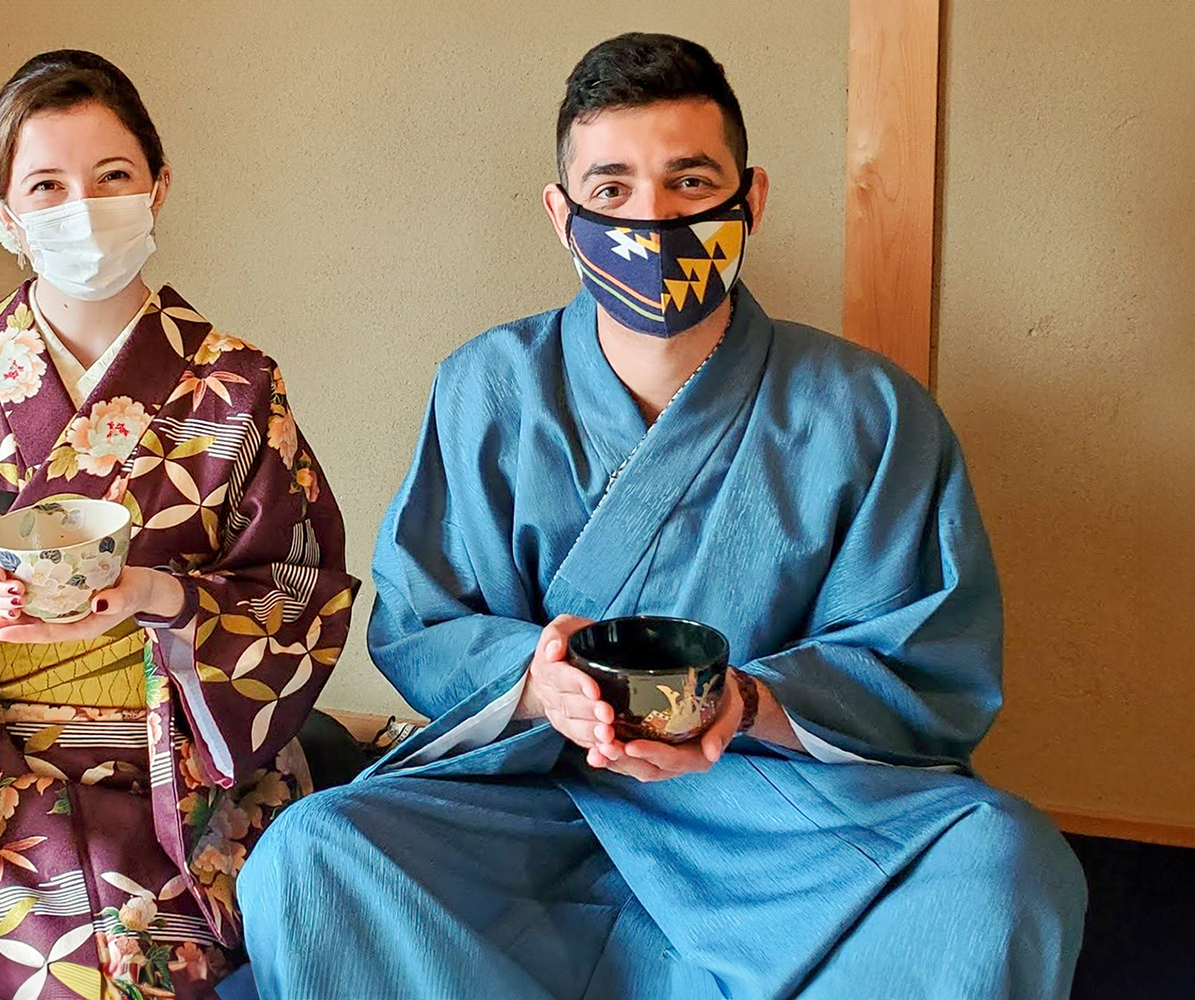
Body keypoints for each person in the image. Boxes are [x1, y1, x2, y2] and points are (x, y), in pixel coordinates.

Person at [236, 33, 1084, 1000]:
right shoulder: (486, 387)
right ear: (562, 216)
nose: (653, 218)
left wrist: (748, 705)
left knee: (1003, 865)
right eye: (611, 190)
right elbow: (423, 617)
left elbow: (928, 657)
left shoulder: (870, 410)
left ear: (750, 197)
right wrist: (536, 683)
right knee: (314, 854)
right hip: (541, 798)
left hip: (781, 818)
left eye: (690, 183)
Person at [0, 49, 357, 1000]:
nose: (82, 210)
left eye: (112, 179)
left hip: (172, 752)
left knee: (118, 966)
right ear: (4, 215)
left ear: (158, 187)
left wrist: (158, 595)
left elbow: (299, 586)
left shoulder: (236, 386)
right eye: (46, 186)